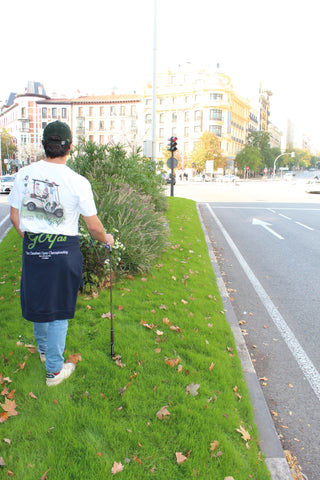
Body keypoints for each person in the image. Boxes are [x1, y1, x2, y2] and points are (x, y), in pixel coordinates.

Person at [8, 121, 114, 387]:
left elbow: (14, 217)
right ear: (69, 147)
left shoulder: (23, 175)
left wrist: (33, 239)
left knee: (40, 303)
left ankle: (44, 352)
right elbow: (93, 226)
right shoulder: (78, 181)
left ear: (44, 144)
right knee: (58, 312)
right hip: (64, 251)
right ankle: (54, 371)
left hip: (34, 248)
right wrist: (107, 239)